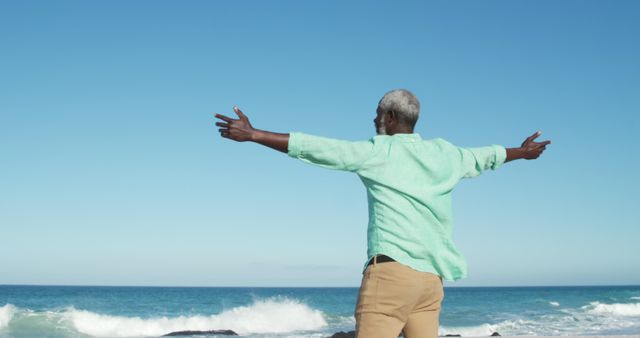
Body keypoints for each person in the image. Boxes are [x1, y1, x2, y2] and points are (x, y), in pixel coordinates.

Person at [214, 89, 551, 338]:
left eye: (377, 113)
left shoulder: (378, 152)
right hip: (431, 282)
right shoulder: (446, 154)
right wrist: (521, 152)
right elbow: (486, 156)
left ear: (390, 118)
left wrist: (255, 134)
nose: (374, 119)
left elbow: (321, 148)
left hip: (391, 277)